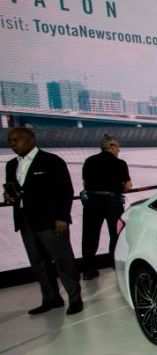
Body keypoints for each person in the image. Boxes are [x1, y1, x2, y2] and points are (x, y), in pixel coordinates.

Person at [4, 128, 82, 315]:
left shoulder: (52, 161)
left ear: (31, 139)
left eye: (16, 139)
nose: (12, 144)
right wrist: (8, 196)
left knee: (63, 261)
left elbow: (66, 191)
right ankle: (51, 299)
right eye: (10, 140)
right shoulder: (10, 165)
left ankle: (75, 299)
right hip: (25, 221)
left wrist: (62, 217)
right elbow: (12, 189)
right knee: (38, 263)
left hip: (51, 222)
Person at [81, 135, 132, 280]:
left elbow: (85, 184)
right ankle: (115, 263)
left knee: (90, 236)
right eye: (118, 148)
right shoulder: (120, 163)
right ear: (112, 146)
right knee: (115, 234)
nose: (119, 151)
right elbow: (128, 186)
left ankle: (88, 269)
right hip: (112, 202)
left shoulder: (89, 161)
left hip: (92, 202)